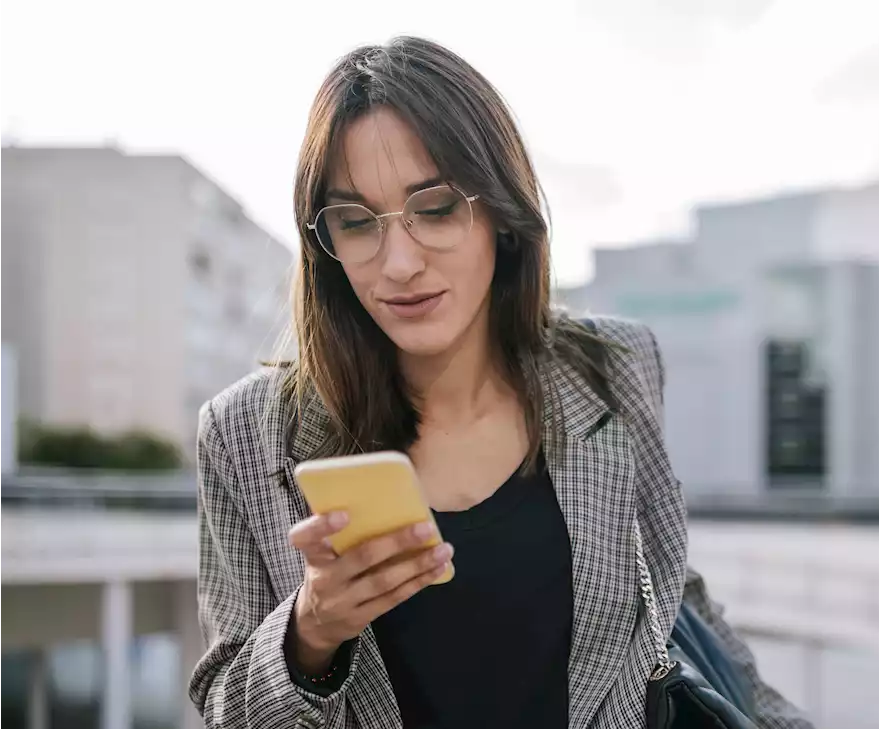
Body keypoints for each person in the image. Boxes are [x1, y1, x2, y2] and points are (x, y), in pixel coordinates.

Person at [187, 36, 812, 729]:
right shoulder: (244, 433)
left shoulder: (613, 368)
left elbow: (675, 597)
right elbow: (224, 709)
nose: (398, 262)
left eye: (436, 208)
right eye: (356, 222)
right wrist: (308, 635)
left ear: (500, 214)